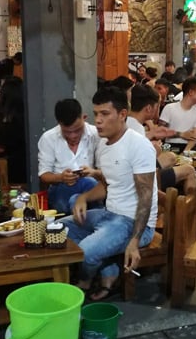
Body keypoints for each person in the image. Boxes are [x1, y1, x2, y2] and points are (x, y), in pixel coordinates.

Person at [62, 87, 158, 301]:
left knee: (86, 251)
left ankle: (86, 281)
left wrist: (135, 241)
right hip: (110, 215)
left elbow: (146, 197)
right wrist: (83, 198)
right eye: (96, 114)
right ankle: (108, 268)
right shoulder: (103, 145)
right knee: (57, 230)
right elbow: (107, 184)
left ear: (122, 114)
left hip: (133, 223)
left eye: (105, 114)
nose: (98, 121)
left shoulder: (138, 146)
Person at [38, 98, 101, 214]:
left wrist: (93, 172)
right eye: (67, 132)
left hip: (91, 190)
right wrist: (61, 178)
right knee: (86, 185)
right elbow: (44, 174)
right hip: (60, 190)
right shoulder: (48, 138)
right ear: (59, 123)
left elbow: (105, 169)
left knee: (84, 188)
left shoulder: (96, 134)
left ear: (84, 118)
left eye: (77, 130)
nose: (73, 136)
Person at [159, 77, 196, 152]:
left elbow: (194, 137)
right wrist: (180, 134)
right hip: (169, 147)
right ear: (191, 92)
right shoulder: (169, 108)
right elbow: (160, 132)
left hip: (188, 149)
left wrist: (185, 153)